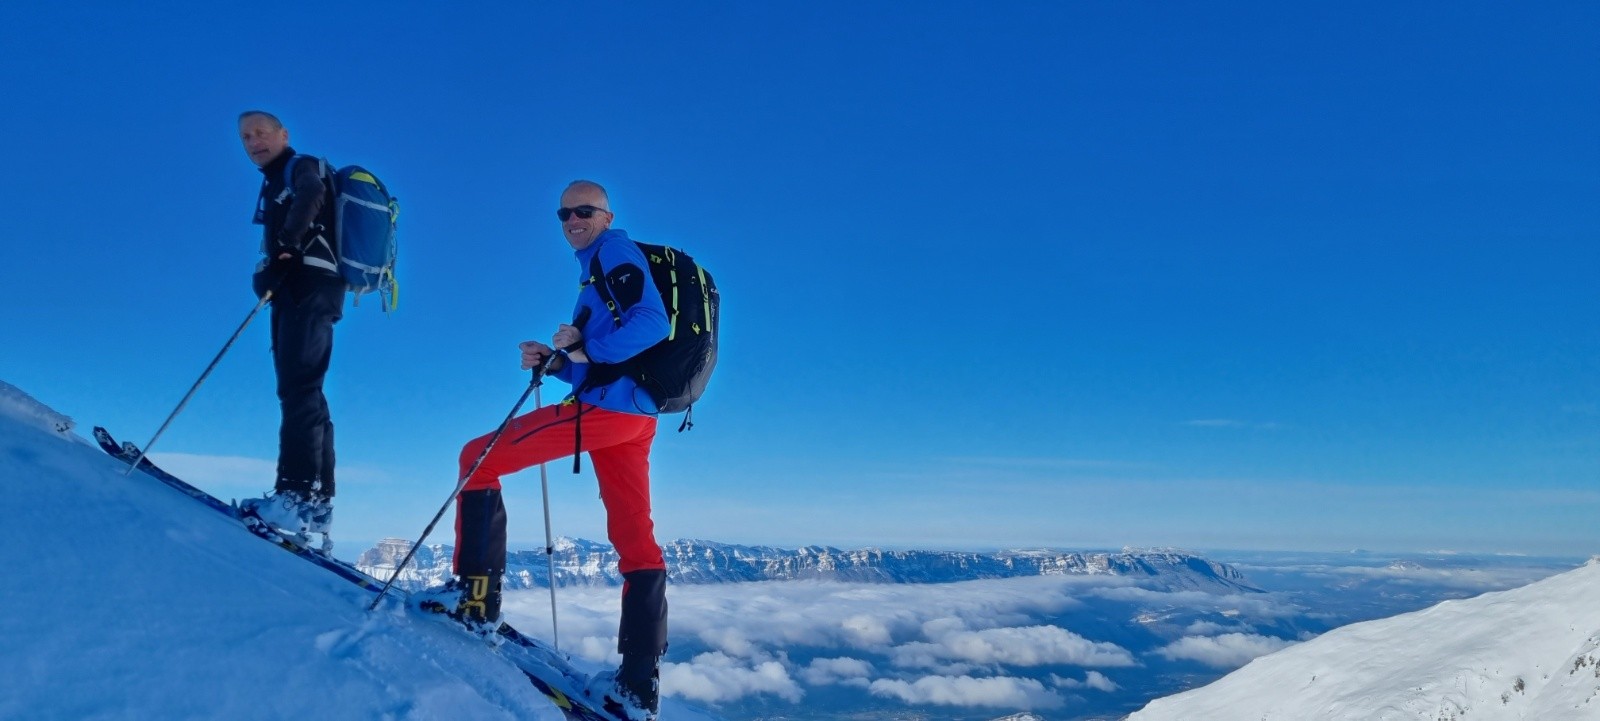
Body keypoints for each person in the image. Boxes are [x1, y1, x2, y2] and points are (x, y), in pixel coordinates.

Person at [434, 180, 671, 718]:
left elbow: (653, 324)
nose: (571, 220)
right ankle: (638, 681)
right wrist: (558, 361)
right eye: (563, 213)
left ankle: (473, 604)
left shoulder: (614, 251)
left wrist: (584, 347)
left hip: (609, 414)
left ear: (607, 216)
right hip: (634, 417)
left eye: (583, 211)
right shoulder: (595, 269)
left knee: (477, 457)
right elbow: (602, 363)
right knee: (635, 535)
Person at [235, 110, 345, 548]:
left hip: (306, 288)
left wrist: (285, 252)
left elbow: (312, 194)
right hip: (313, 290)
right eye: (245, 137)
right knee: (309, 390)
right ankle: (317, 500)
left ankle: (294, 494)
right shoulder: (277, 177)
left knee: (298, 389)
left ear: (284, 135)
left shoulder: (301, 167)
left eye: (261, 133)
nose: (253, 141)